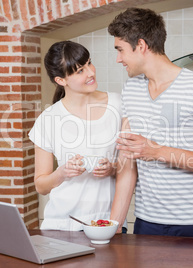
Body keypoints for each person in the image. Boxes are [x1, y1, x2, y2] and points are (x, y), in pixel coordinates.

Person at [108, 8, 193, 238]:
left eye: (120, 50)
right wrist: (114, 225)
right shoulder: (131, 89)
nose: (118, 58)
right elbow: (127, 163)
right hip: (146, 223)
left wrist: (156, 150)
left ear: (141, 45)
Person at [28, 40, 126, 231]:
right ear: (61, 80)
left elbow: (133, 165)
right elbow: (41, 185)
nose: (90, 73)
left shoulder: (118, 104)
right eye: (80, 71)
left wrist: (112, 168)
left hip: (107, 222)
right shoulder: (48, 119)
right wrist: (62, 173)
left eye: (89, 63)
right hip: (61, 224)